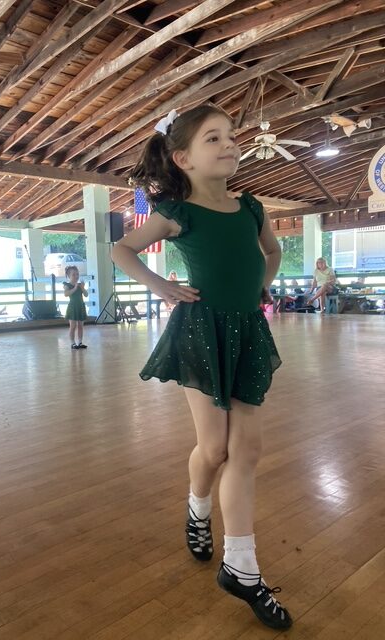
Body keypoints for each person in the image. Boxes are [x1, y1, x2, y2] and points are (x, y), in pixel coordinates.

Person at [111, 104, 291, 630]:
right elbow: (122, 249)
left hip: (247, 332)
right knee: (215, 449)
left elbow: (271, 253)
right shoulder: (177, 212)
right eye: (214, 137)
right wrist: (161, 287)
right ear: (183, 158)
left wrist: (261, 285)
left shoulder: (251, 207)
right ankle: (197, 508)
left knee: (247, 450)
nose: (230, 143)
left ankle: (241, 566)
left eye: (232, 135)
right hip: (199, 333)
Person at [63, 265, 88, 349]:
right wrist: (75, 288)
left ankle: (80, 342)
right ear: (69, 276)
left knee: (80, 326)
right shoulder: (67, 285)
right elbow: (66, 294)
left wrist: (83, 288)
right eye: (73, 274)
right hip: (72, 307)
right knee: (73, 326)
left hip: (80, 307)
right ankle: (72, 343)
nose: (76, 276)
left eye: (77, 274)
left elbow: (86, 294)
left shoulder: (80, 285)